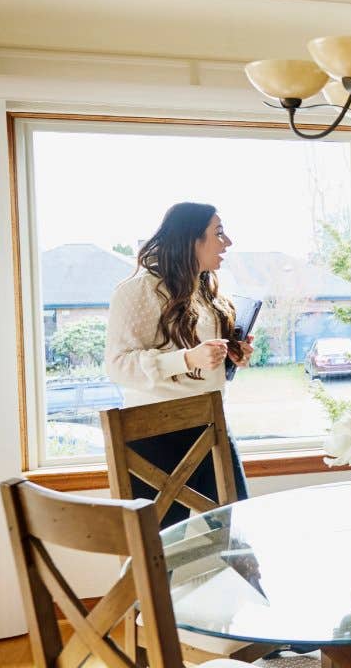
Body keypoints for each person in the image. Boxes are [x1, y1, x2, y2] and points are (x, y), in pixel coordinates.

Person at [105, 202, 255, 529]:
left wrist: (232, 356)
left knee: (238, 538)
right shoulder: (137, 291)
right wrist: (187, 359)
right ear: (191, 240)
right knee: (157, 554)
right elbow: (117, 365)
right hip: (155, 436)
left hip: (211, 425)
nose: (226, 242)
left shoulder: (206, 291)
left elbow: (202, 361)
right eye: (218, 233)